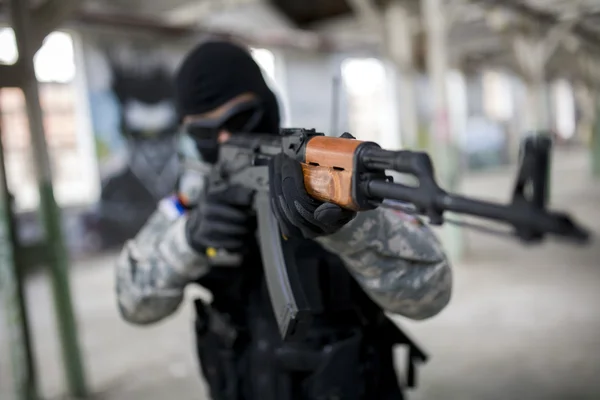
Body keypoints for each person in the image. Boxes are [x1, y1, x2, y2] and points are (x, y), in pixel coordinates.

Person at [115, 40, 452, 400]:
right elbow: (133, 303)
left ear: (268, 104)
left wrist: (349, 226)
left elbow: (431, 293)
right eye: (205, 133)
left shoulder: (324, 176)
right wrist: (189, 241)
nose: (226, 138)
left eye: (239, 118)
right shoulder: (194, 196)